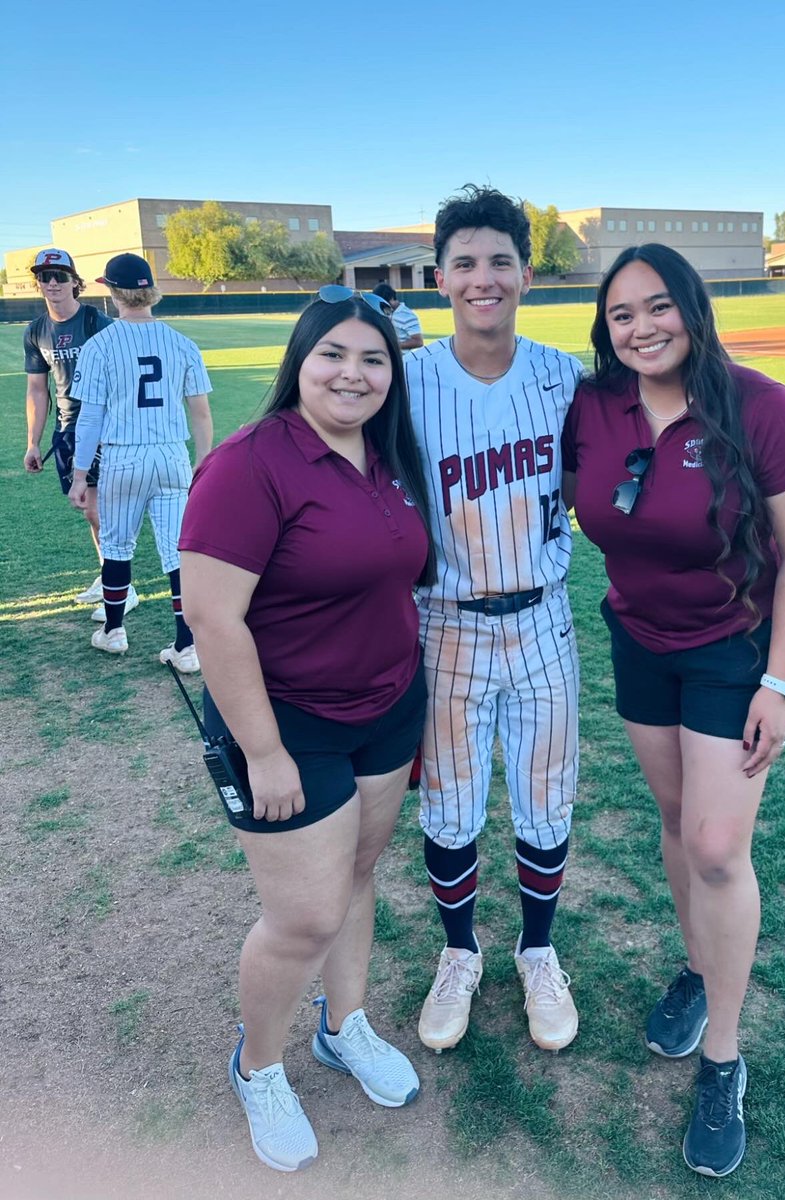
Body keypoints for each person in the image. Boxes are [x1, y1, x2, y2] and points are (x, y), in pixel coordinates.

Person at [562, 244, 785, 1177]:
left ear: (693, 308)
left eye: (658, 306)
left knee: (718, 846)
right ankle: (697, 961)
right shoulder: (592, 406)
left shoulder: (760, 407)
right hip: (637, 641)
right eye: (621, 314)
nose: (641, 327)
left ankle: (722, 1054)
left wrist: (777, 682)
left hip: (730, 652)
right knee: (676, 824)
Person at [178, 288, 437, 1173]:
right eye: (333, 354)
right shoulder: (250, 463)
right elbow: (212, 619)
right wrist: (262, 750)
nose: (352, 373)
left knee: (359, 874)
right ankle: (257, 1066)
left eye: (373, 359)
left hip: (388, 707)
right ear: (300, 360)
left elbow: (399, 580)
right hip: (288, 723)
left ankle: (344, 1027)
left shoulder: (388, 453)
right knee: (304, 915)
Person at [405, 185, 582, 1054]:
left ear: (526, 273)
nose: (484, 278)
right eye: (466, 263)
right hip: (446, 625)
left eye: (500, 262)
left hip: (544, 618)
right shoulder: (404, 380)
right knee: (451, 802)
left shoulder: (562, 374)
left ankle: (538, 951)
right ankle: (459, 953)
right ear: (441, 277)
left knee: (545, 800)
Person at [67, 254, 213, 672]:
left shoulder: (100, 344)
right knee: (177, 552)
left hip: (122, 455)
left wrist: (80, 475)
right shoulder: (182, 342)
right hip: (171, 455)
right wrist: (204, 464)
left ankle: (114, 632)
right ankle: (186, 647)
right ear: (151, 292)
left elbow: (89, 417)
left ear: (113, 292)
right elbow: (200, 413)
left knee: (116, 546)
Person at [22, 248, 139, 619]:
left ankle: (123, 587)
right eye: (44, 276)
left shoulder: (97, 322)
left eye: (59, 275)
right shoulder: (36, 331)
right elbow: (38, 390)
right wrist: (32, 442)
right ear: (38, 282)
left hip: (103, 427)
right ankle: (109, 575)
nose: (52, 283)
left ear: (75, 280)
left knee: (100, 508)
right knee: (90, 510)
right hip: (67, 430)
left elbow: (126, 375)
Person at [372, 282, 424, 350]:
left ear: (392, 298)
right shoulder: (383, 311)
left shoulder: (407, 316)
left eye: (384, 303)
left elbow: (418, 342)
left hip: (402, 359)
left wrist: (392, 346)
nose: (382, 306)